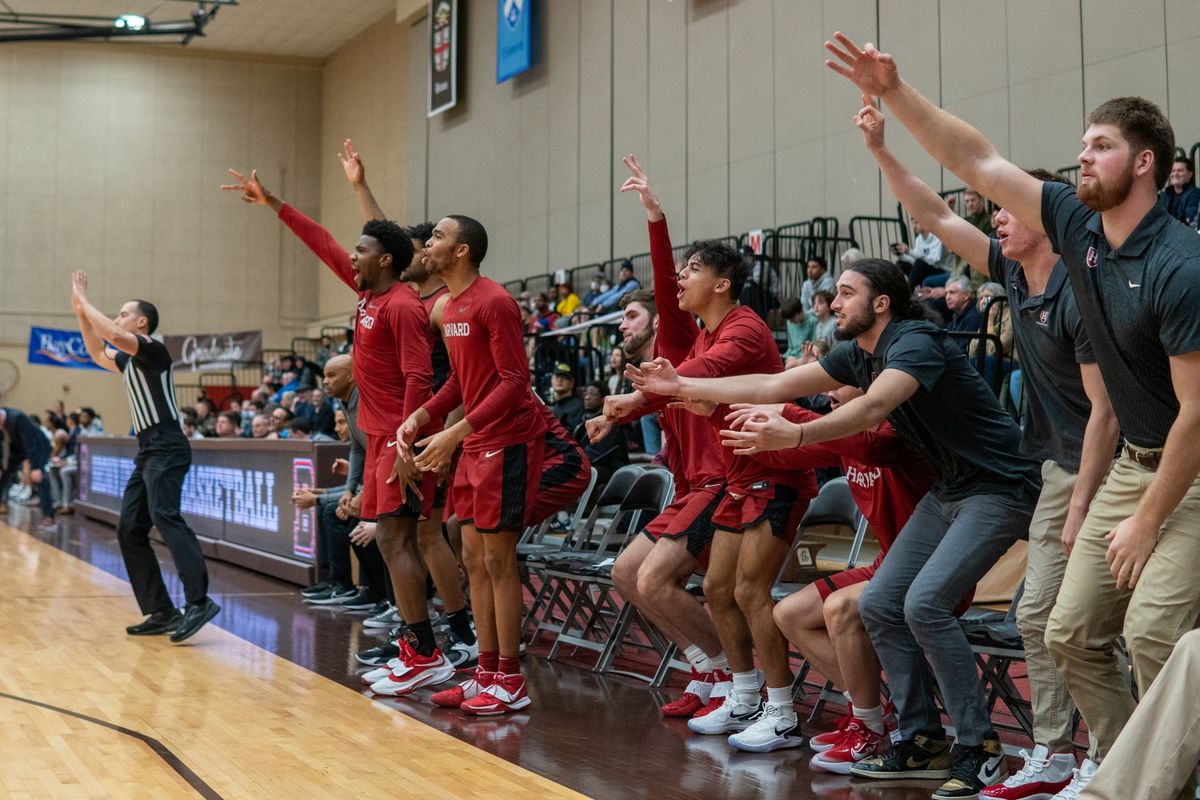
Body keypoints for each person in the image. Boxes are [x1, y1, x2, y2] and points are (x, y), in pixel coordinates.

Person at [825, 33, 1200, 798]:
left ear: (1147, 163)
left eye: (1101, 145)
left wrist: (1134, 513)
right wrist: (893, 98)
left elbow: (1195, 415)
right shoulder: (1078, 228)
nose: (1084, 155)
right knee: (1063, 632)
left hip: (1180, 469)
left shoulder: (1181, 266)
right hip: (1131, 463)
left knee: (1153, 633)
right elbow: (975, 163)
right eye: (1083, 143)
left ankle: (1163, 777)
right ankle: (1133, 772)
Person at [631, 257, 1041, 798]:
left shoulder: (914, 342)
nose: (833, 301)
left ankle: (979, 748)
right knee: (877, 604)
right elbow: (776, 381)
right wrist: (680, 380)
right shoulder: (857, 354)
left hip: (1000, 487)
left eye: (846, 293)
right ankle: (920, 738)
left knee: (923, 604)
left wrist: (795, 436)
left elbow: (871, 411)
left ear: (881, 303)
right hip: (951, 489)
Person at [855, 96, 1123, 799]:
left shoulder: (1077, 284)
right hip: (1055, 463)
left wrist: (1086, 494)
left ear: (1040, 219)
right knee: (1043, 618)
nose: (994, 218)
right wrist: (883, 150)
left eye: (1005, 210)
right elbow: (934, 217)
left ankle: (1107, 757)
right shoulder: (1011, 273)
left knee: (1086, 623)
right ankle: (1057, 752)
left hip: (1106, 460)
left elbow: (1105, 410)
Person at [222, 166, 465, 697]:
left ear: (384, 260)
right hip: (382, 440)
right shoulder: (366, 296)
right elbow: (323, 244)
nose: (349, 256)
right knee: (394, 542)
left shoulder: (401, 305)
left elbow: (420, 377)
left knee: (400, 541)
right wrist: (273, 203)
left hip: (400, 442)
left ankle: (427, 652)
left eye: (361, 250)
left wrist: (405, 443)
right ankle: (418, 646)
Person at [605, 155, 817, 752]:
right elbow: (685, 374)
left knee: (736, 591)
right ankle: (737, 686)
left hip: (759, 475)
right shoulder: (696, 332)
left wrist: (639, 397)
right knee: (716, 591)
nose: (679, 280)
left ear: (721, 283)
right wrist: (655, 218)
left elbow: (699, 379)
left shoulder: (743, 331)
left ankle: (769, 701)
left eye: (692, 271)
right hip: (724, 480)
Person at [398, 214, 549, 715]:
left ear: (461, 251)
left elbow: (513, 383)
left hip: (508, 442)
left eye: (438, 237)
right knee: (474, 561)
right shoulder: (448, 305)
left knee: (499, 563)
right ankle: (484, 672)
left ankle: (511, 679)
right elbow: (462, 382)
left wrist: (456, 432)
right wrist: (423, 415)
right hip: (475, 442)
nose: (429, 244)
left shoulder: (495, 301)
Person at [765, 387, 933, 774]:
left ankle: (871, 728)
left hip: (925, 568)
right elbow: (787, 450)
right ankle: (873, 711)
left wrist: (789, 411)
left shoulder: (899, 430)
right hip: (887, 564)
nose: (827, 393)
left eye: (839, 381)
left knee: (838, 608)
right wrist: (741, 422)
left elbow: (869, 447)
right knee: (789, 613)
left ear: (873, 383)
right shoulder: (844, 434)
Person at [69, 272, 220, 642]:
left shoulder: (154, 349)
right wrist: (80, 313)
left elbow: (115, 337)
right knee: (129, 529)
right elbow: (96, 352)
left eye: (123, 313)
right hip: (148, 449)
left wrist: (86, 302)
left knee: (166, 517)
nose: (118, 318)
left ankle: (199, 602)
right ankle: (162, 609)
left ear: (142, 322)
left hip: (167, 445)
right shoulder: (128, 361)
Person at [0, 407, 55, 530]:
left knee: (39, 477)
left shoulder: (17, 418)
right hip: (19, 448)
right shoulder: (3, 416)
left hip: (38, 447)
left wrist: (35, 467)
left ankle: (49, 518)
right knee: (5, 473)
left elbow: (31, 443)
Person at [1158, 155, 1199, 227]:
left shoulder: (1195, 195)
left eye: (1180, 170)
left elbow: (1190, 222)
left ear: (1190, 174)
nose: (1175, 174)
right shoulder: (1165, 194)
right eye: (1173, 171)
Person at [548, 363, 584, 432]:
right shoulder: (556, 405)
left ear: (572, 383)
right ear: (551, 380)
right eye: (557, 376)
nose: (559, 380)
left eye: (564, 377)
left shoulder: (577, 405)